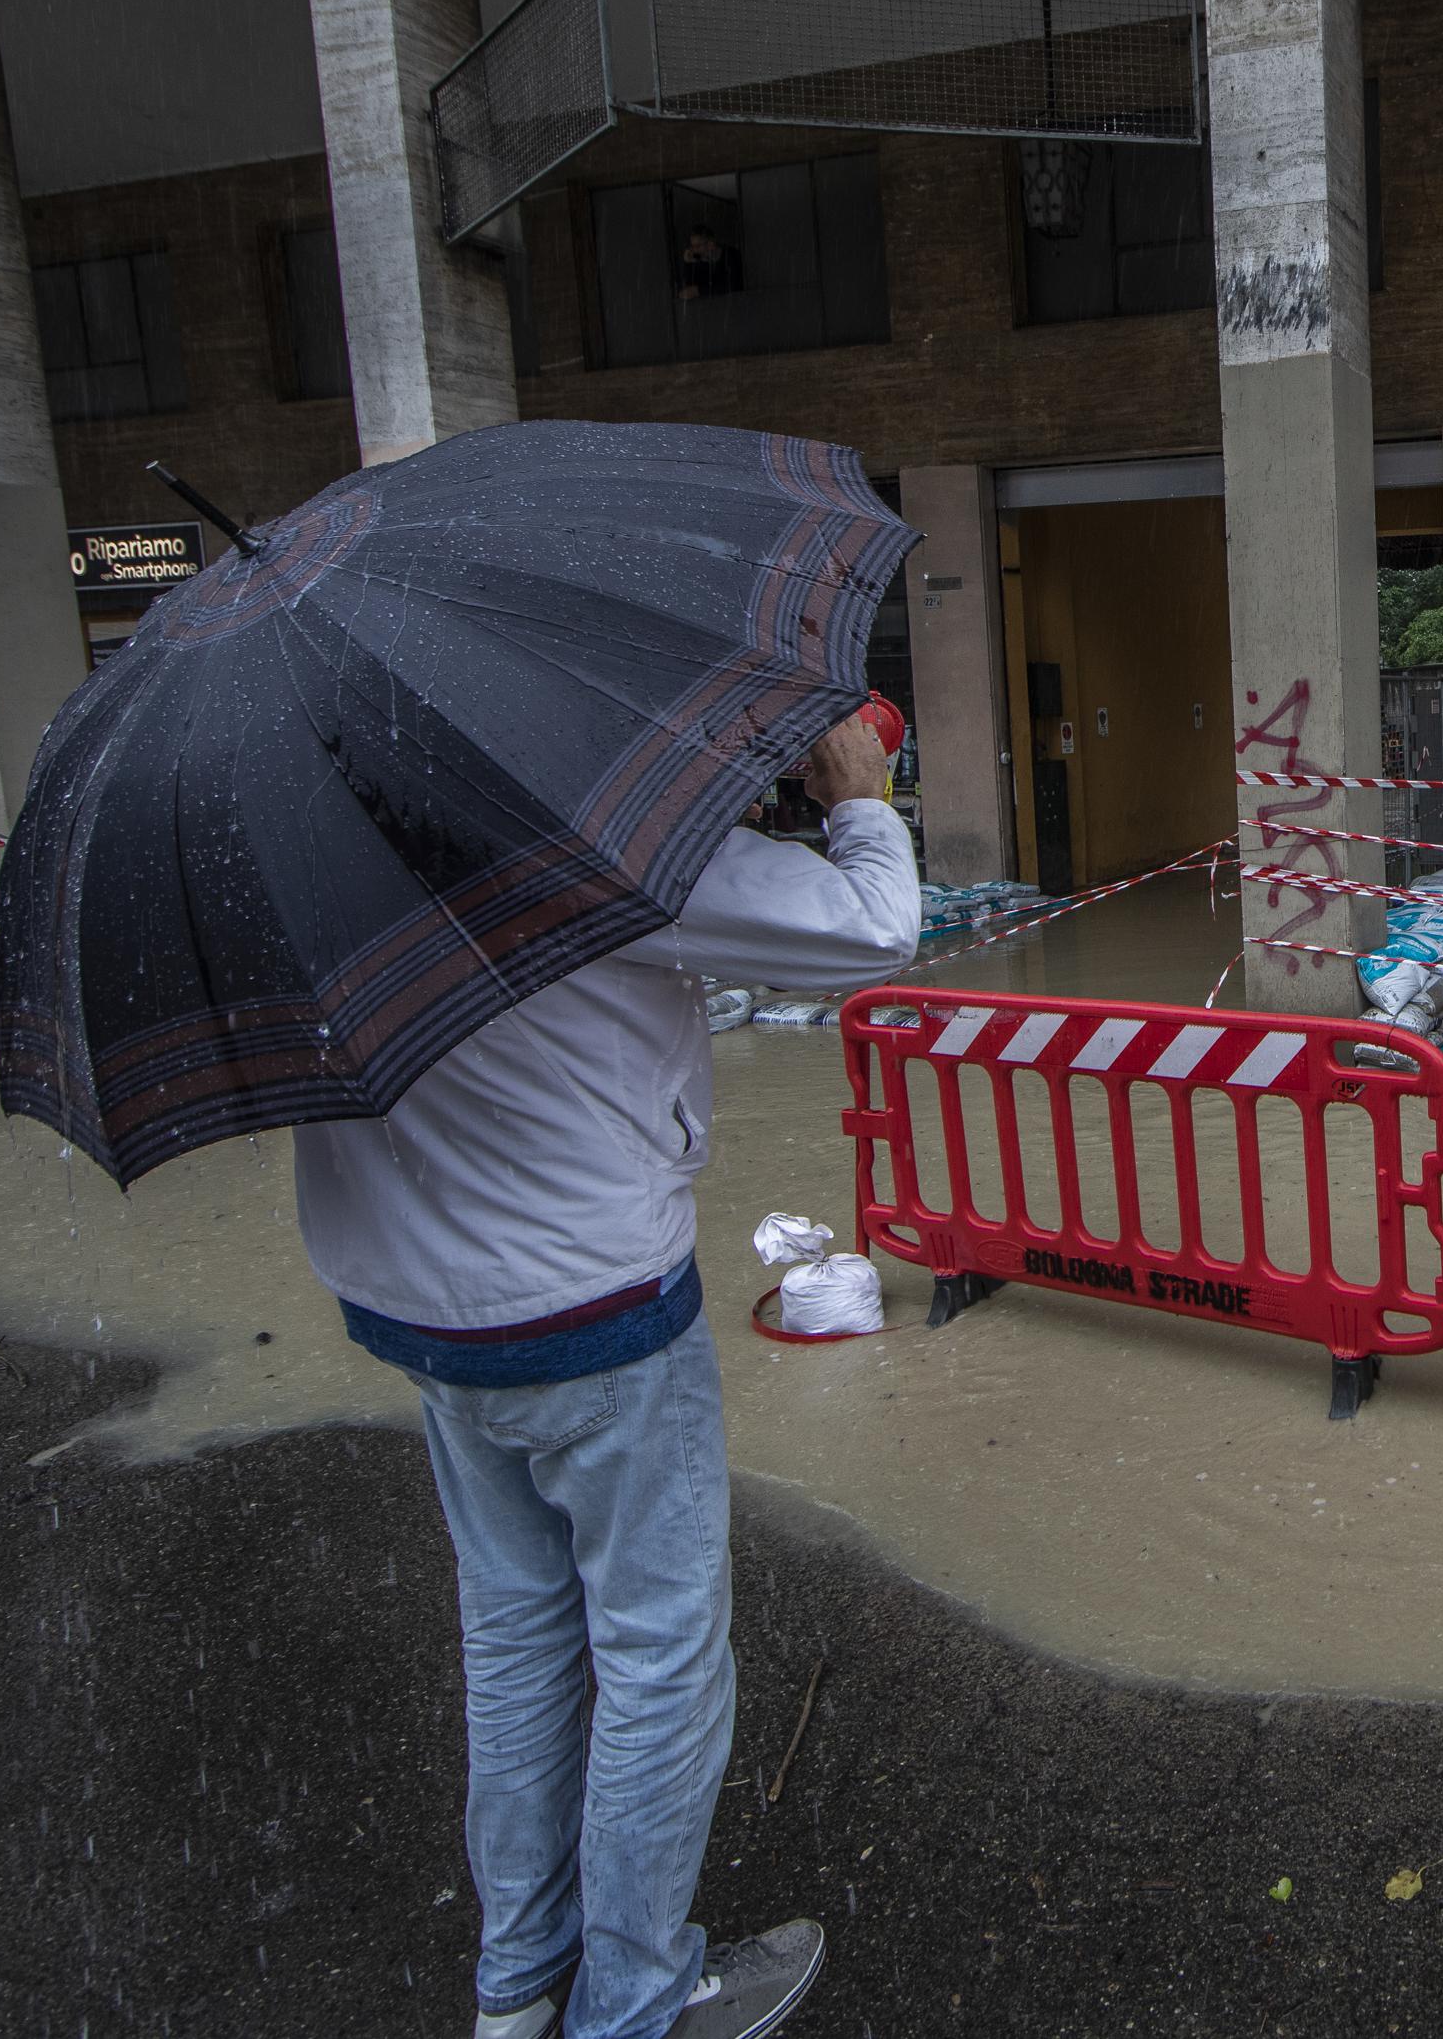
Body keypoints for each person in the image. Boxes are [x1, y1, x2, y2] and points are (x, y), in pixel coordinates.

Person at [292, 712, 914, 2039]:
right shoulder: (595, 832)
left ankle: (518, 1988)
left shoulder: (320, 859)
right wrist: (855, 794)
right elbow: (874, 930)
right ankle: (633, 2000)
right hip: (596, 1311)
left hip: (421, 1312)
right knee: (656, 1654)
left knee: (515, 1633)